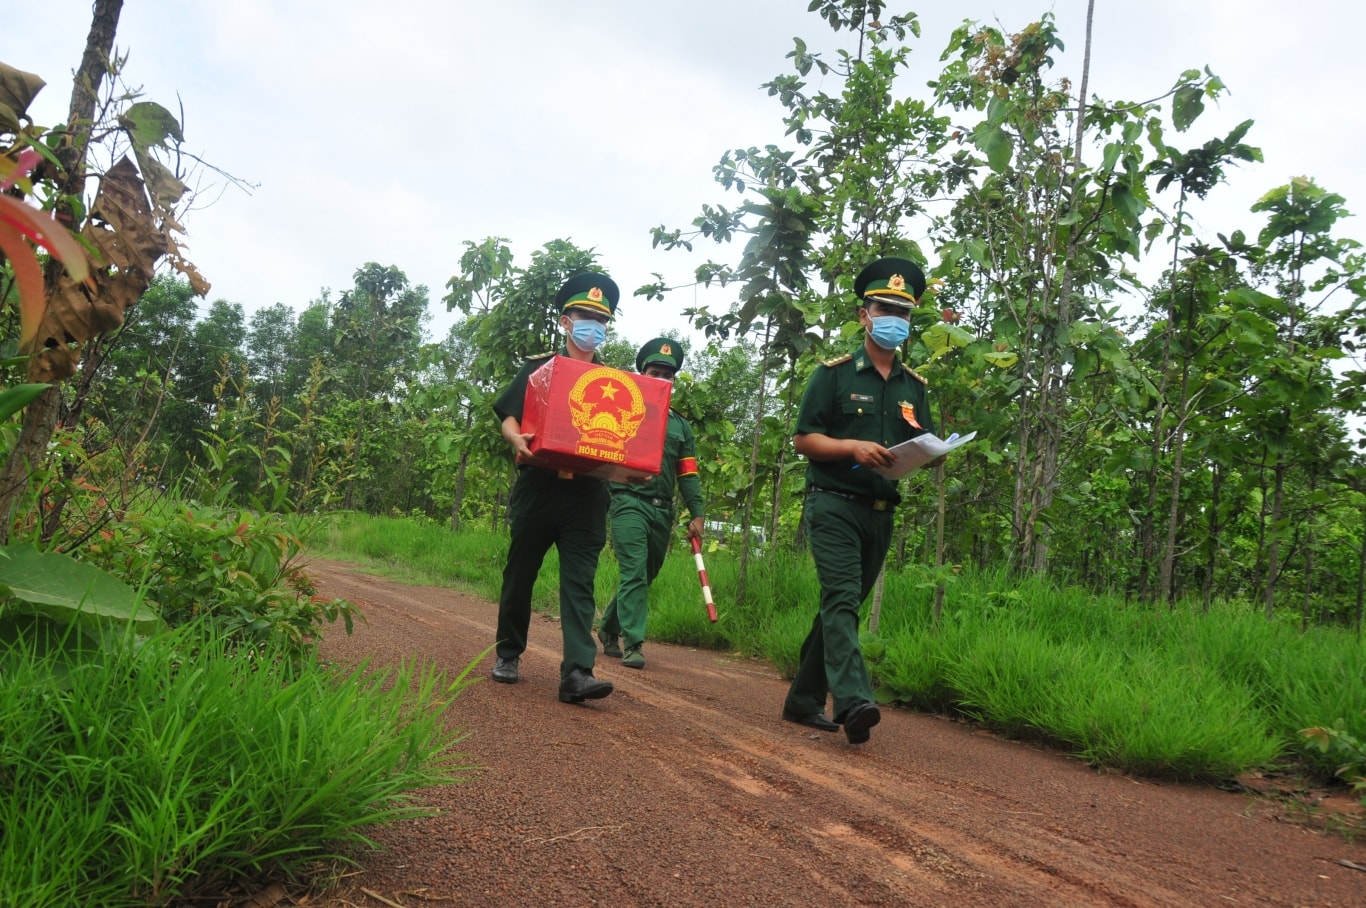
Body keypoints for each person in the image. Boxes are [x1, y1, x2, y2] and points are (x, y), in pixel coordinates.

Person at [781, 256, 937, 744]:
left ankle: (803, 700)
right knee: (843, 599)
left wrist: (932, 456)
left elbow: (927, 444)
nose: (894, 319)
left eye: (904, 313)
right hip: (833, 503)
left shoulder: (915, 387)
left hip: (881, 512)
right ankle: (852, 701)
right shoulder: (834, 375)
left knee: (840, 606)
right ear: (864, 315)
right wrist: (851, 447)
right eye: (884, 308)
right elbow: (804, 440)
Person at [490, 272, 619, 705]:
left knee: (580, 582)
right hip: (539, 488)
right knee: (520, 571)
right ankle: (508, 653)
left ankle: (577, 673)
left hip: (586, 494)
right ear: (566, 321)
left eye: (601, 320)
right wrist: (514, 438)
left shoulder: (614, 385)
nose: (593, 326)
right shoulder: (538, 368)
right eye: (584, 316)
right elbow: (509, 415)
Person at [597, 337, 706, 669]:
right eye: (655, 371)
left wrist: (697, 513)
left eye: (667, 374)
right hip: (628, 502)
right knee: (633, 571)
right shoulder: (622, 411)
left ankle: (609, 627)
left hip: (662, 509)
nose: (662, 378)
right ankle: (634, 643)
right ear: (642, 374)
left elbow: (687, 472)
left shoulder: (680, 425)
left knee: (646, 573)